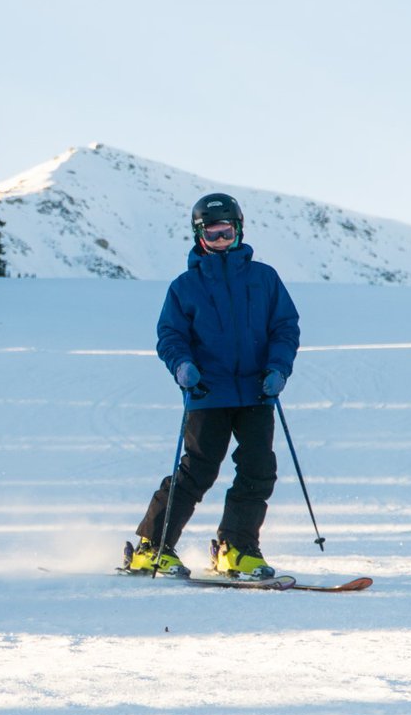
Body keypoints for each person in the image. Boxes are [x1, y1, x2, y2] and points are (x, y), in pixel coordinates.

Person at [128, 193, 300, 579]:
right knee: (198, 472)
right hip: (208, 391)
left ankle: (235, 548)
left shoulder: (264, 278)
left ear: (239, 230)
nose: (221, 240)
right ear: (198, 235)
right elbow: (170, 335)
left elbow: (285, 328)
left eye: (227, 232)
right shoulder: (185, 286)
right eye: (213, 233)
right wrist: (182, 365)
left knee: (259, 470)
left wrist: (278, 369)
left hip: (258, 392)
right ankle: (151, 548)